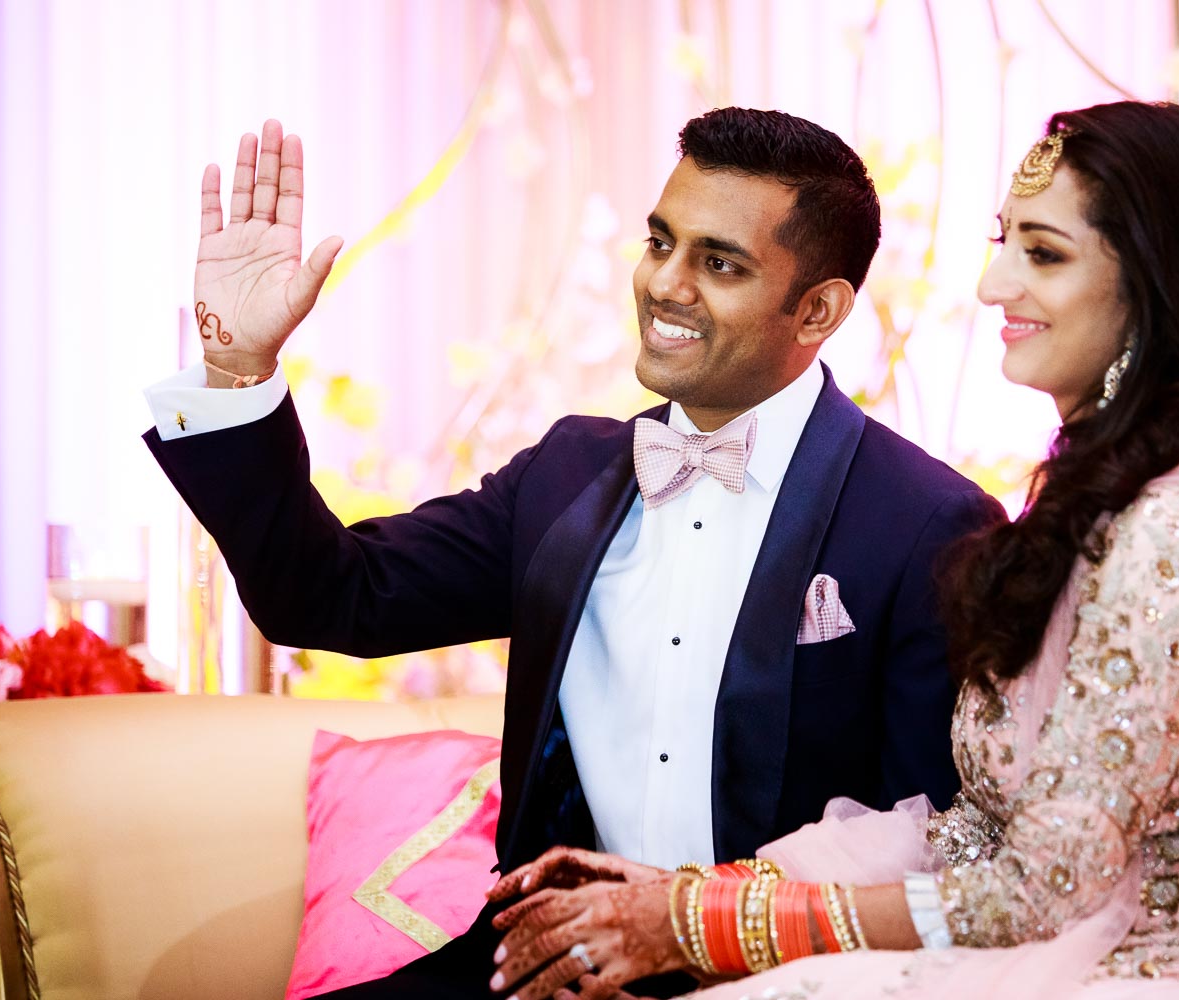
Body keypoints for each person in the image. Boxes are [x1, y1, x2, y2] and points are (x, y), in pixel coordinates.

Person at [484, 101, 1179, 1000]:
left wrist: (701, 923)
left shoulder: (1178, 536)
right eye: (1003, 241)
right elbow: (975, 826)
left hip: (1178, 975)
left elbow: (1039, 890)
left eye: (1043, 255)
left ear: (1158, 286)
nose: (993, 286)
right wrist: (698, 891)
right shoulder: (1092, 509)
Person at [142, 108, 1004, 998]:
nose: (665, 285)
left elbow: (941, 846)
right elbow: (330, 598)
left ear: (817, 308)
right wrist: (238, 365)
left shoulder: (929, 524)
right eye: (659, 243)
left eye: (719, 263)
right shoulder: (567, 475)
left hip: (778, 979)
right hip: (538, 971)